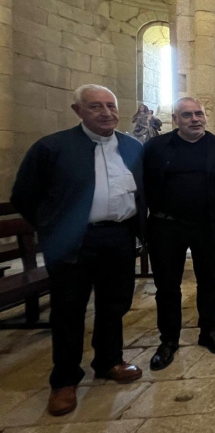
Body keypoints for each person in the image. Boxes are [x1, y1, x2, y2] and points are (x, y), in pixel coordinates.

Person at [11, 84, 146, 416]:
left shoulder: (131, 146)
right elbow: (24, 196)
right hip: (74, 244)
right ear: (78, 111)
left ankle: (109, 360)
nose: (106, 113)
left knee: (114, 304)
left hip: (117, 238)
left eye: (111, 106)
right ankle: (65, 380)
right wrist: (55, 228)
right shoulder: (52, 148)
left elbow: (142, 191)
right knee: (69, 310)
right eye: (96, 106)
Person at [144, 97, 215, 370]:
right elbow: (145, 185)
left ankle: (209, 331)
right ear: (175, 120)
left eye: (198, 114)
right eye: (187, 115)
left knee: (209, 281)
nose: (195, 119)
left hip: (208, 224)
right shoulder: (155, 148)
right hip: (166, 226)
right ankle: (168, 341)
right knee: (167, 286)